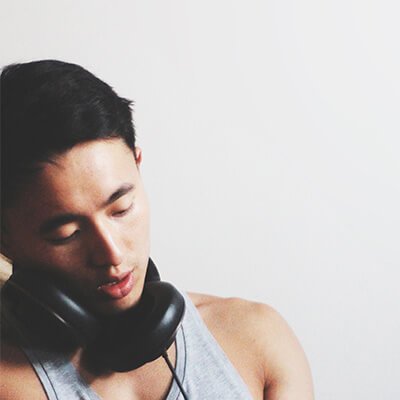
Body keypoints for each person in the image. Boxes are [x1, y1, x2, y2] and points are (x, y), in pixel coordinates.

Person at [0, 60, 314, 400]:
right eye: (67, 233)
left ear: (138, 166)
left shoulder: (259, 341)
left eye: (122, 208)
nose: (112, 253)